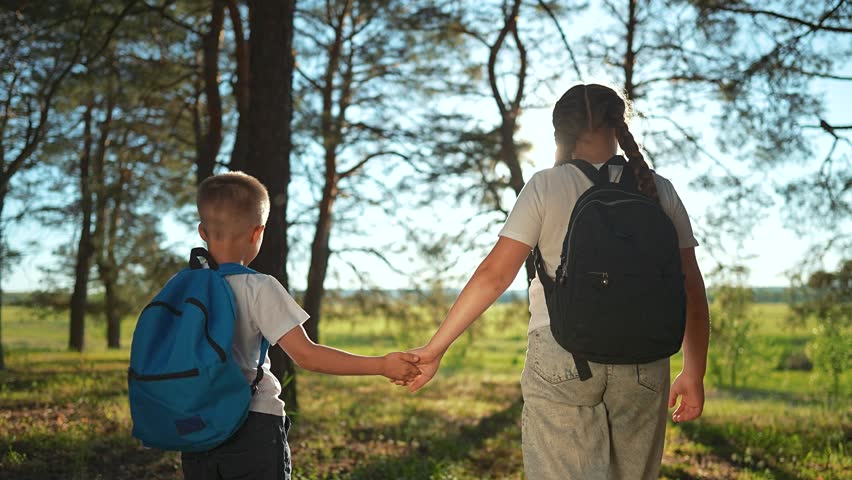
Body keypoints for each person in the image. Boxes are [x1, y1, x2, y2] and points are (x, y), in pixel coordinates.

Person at [407, 84, 710, 479]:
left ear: (560, 132)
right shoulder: (659, 190)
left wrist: (435, 348)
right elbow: (691, 290)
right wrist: (694, 372)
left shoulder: (546, 186)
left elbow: (493, 276)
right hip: (644, 362)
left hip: (562, 355)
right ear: (618, 126)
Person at [181, 171, 421, 480]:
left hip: (194, 427)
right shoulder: (259, 287)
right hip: (251, 425)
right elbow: (307, 355)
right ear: (258, 234)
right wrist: (381, 365)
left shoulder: (182, 286)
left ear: (202, 231)